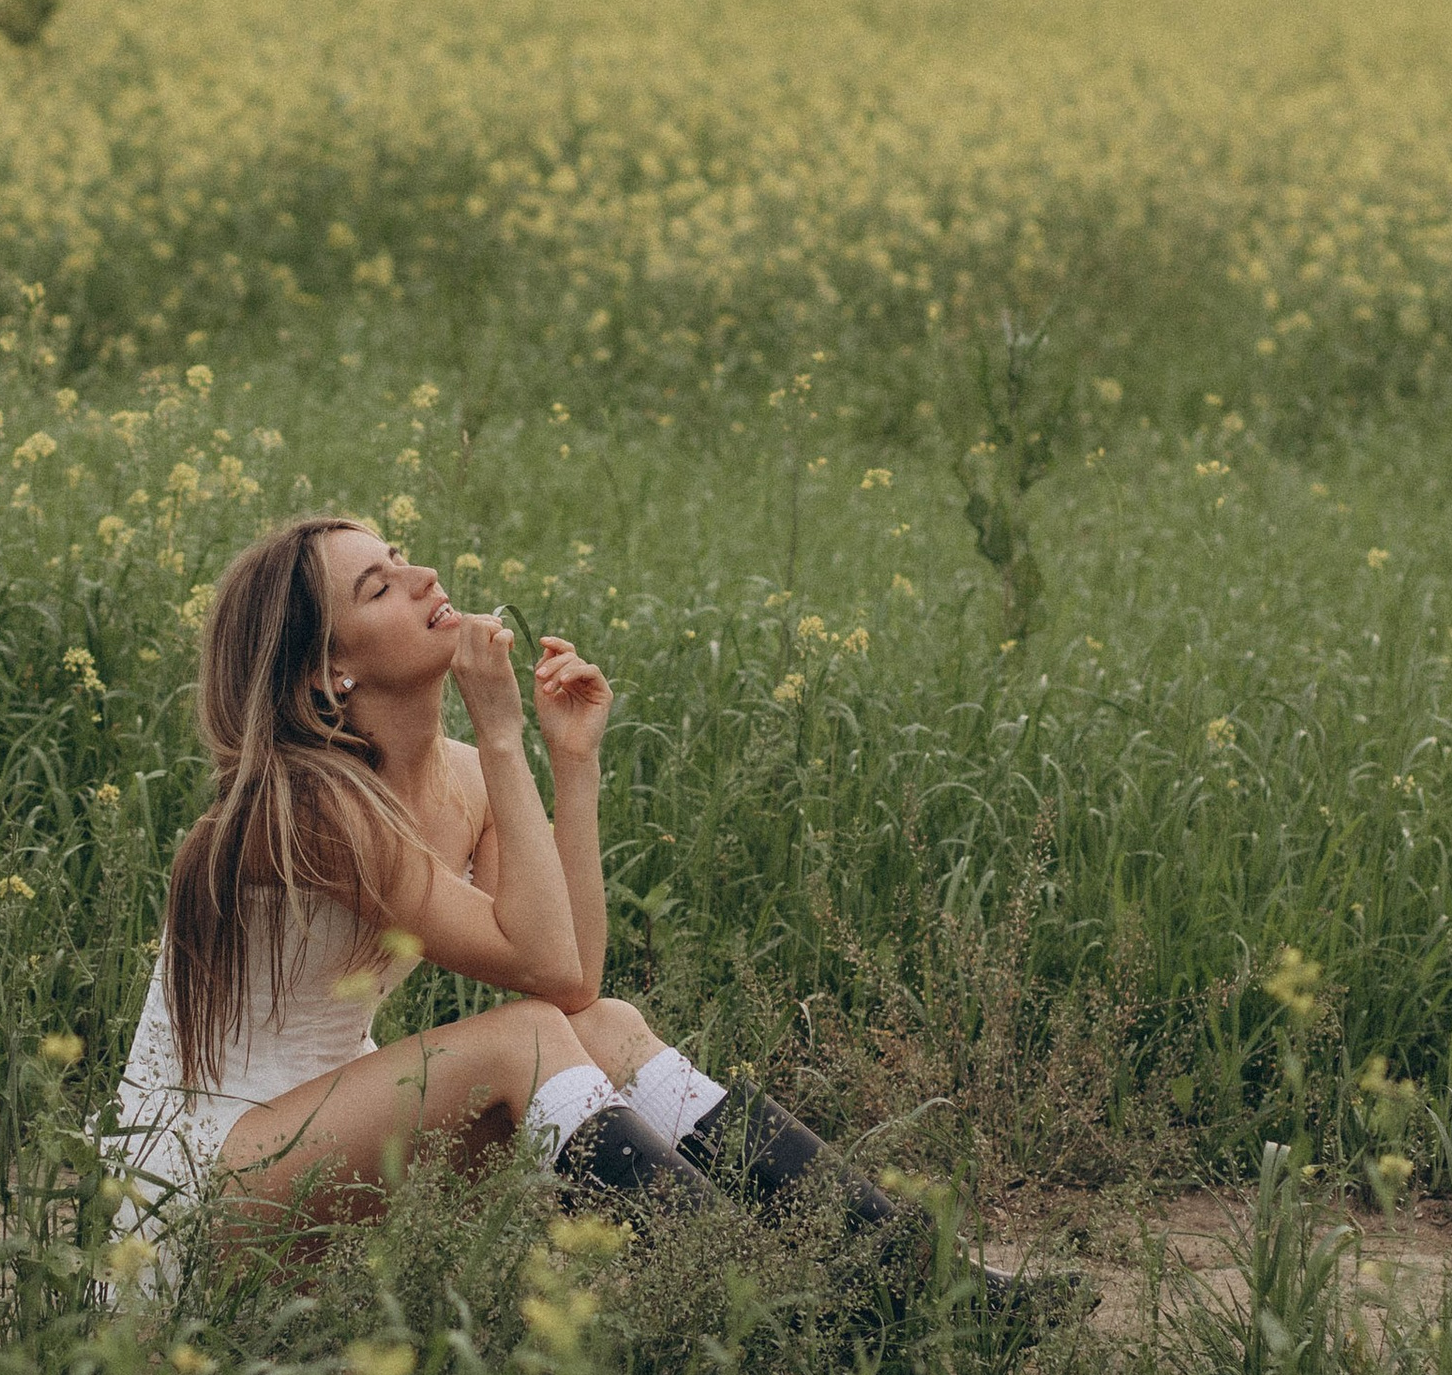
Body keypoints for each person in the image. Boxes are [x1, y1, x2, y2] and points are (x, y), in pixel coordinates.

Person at [101, 514, 965, 1267]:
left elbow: (574, 980)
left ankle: (905, 1270)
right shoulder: (310, 803)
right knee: (523, 1039)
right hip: (200, 1181)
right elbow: (542, 975)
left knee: (608, 1025)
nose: (423, 577)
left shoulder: (463, 780)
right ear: (328, 674)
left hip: (323, 1138)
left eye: (402, 557)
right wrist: (504, 733)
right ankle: (757, 1294)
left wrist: (573, 762)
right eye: (379, 588)